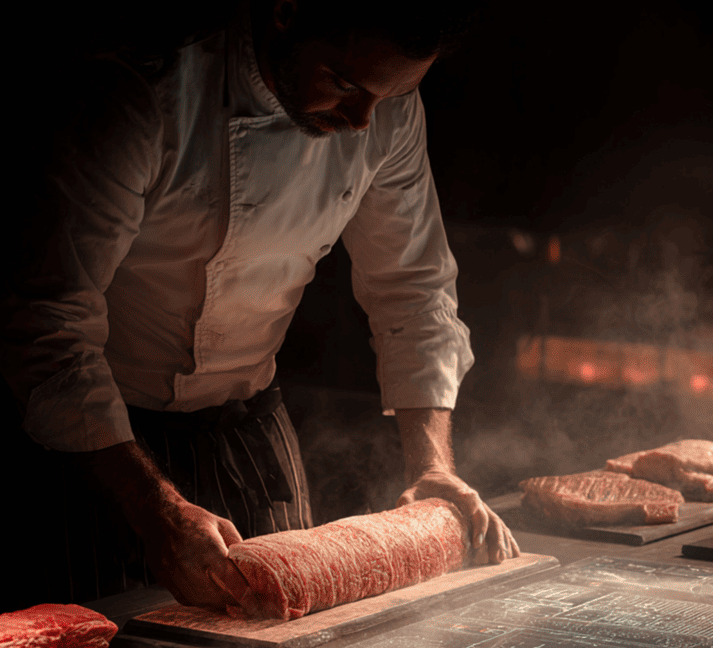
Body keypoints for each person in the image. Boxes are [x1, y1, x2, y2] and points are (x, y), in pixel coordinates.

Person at [2, 0, 518, 613]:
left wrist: (433, 466)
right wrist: (155, 508)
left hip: (247, 432)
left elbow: (415, 288)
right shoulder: (141, 94)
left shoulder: (385, 108)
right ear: (286, 9)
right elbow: (48, 324)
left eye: (387, 97)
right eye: (344, 84)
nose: (361, 121)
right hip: (96, 449)